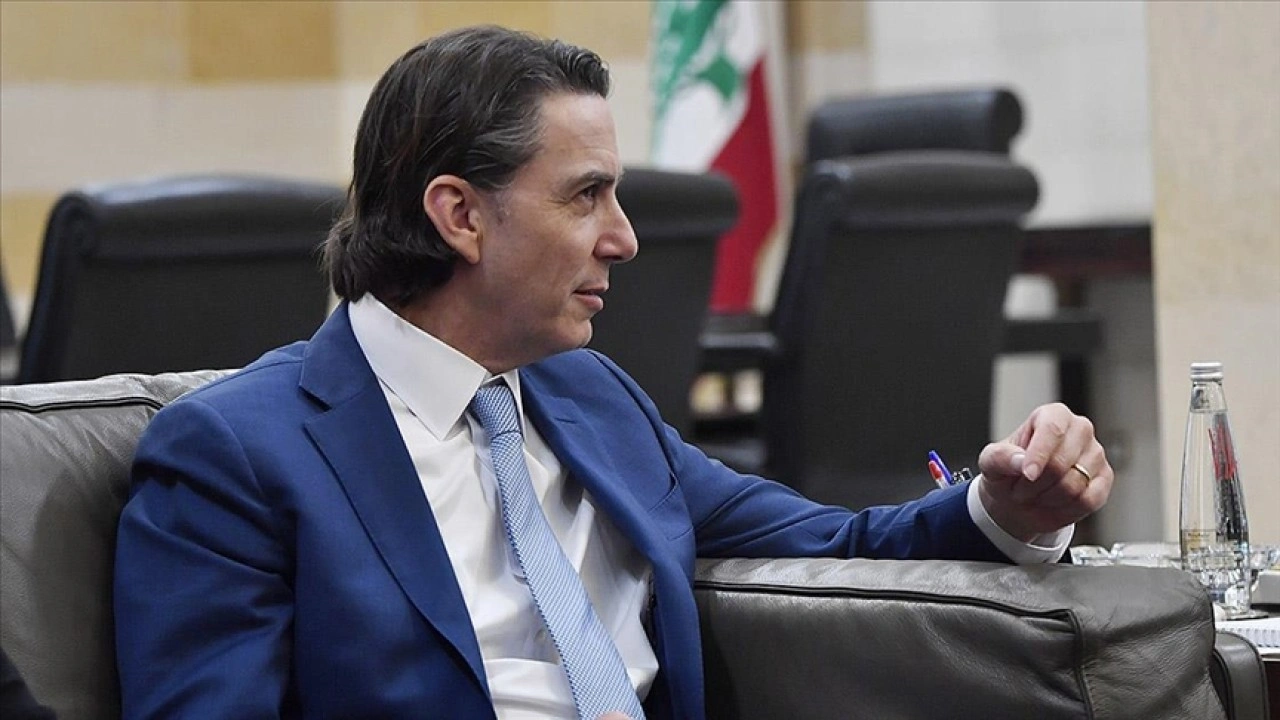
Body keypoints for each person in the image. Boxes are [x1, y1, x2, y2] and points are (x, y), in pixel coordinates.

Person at [113, 25, 1113, 720]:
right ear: (459, 215)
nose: (625, 240)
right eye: (585, 196)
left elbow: (832, 544)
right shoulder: (237, 454)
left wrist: (1004, 510)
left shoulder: (591, 397)